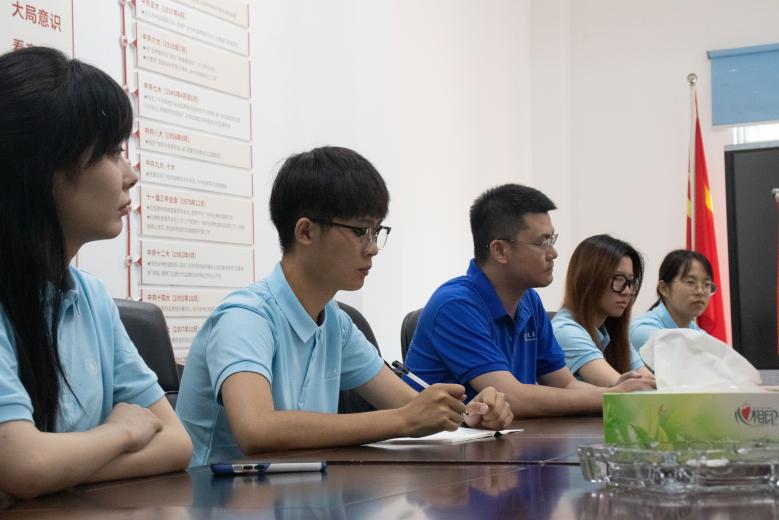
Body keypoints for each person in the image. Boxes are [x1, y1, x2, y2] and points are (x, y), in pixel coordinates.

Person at [176, 146, 512, 467]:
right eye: (361, 231)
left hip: (297, 492)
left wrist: (469, 414)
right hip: (215, 495)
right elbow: (257, 430)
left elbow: (411, 405)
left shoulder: (335, 322)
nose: (373, 248)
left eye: (376, 231)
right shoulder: (245, 317)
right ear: (306, 232)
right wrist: (404, 420)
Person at [0, 47, 192, 499]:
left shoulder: (90, 296)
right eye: (111, 152)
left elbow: (176, 443)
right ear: (44, 169)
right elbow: (23, 462)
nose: (130, 175)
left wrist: (55, 469)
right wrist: (121, 432)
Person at [404, 184, 655, 418]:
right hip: (442, 447)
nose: (553, 253)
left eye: (552, 240)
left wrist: (618, 392)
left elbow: (566, 383)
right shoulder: (455, 305)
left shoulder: (529, 301)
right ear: (500, 251)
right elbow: (512, 397)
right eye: (542, 242)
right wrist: (611, 396)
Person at [551, 235, 654, 387]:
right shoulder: (566, 331)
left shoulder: (609, 331)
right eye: (618, 279)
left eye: (631, 281)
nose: (627, 291)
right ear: (589, 279)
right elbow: (621, 390)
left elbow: (649, 381)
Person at [630, 249, 717, 348]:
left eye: (706, 284)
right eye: (690, 282)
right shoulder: (643, 330)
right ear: (664, 289)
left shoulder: (700, 335)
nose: (700, 291)